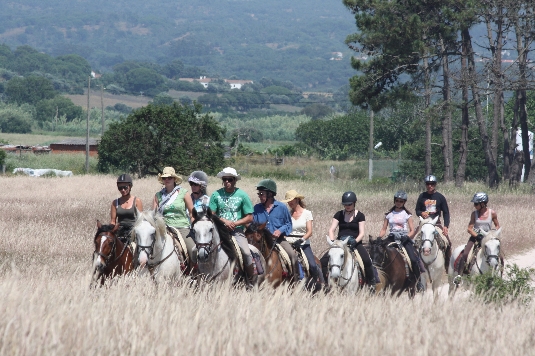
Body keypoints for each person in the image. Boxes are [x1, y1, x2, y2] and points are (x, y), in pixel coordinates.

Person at [209, 167, 256, 288]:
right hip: (219, 231)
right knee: (202, 249)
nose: (227, 182)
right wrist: (224, 220)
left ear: (235, 180)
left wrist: (235, 223)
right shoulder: (216, 195)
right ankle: (201, 276)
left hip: (237, 231)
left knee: (246, 253)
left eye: (230, 179)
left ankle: (250, 281)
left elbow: (249, 217)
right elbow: (211, 214)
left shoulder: (242, 195)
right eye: (224, 179)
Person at [321, 191, 376, 291]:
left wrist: (355, 241)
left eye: (349, 204)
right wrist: (333, 242)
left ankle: (372, 283)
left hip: (355, 242)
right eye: (345, 204)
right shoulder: (338, 214)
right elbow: (331, 230)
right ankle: (325, 284)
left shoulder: (360, 215)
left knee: (367, 260)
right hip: (340, 243)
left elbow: (362, 233)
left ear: (354, 203)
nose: (347, 206)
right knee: (323, 261)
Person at [252, 180, 300, 282]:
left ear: (270, 194)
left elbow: (288, 224)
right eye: (258, 194)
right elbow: (253, 225)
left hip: (279, 240)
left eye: (262, 194)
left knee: (292, 255)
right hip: (261, 240)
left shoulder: (282, 207)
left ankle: (296, 280)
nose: (259, 196)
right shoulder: (256, 208)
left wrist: (280, 231)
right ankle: (248, 280)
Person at [379, 190, 424, 292]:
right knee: (379, 254)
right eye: (397, 200)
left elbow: (412, 230)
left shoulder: (407, 214)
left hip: (404, 238)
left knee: (413, 259)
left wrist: (407, 237)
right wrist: (379, 237)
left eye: (401, 201)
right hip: (391, 237)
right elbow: (383, 229)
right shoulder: (389, 214)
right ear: (394, 201)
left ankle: (418, 281)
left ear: (404, 202)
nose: (399, 203)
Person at [152, 167, 195, 271]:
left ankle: (194, 273)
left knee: (193, 250)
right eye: (164, 178)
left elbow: (192, 213)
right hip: (164, 227)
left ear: (174, 179)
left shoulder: (184, 193)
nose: (167, 180)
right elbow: (153, 214)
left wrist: (193, 225)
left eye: (169, 178)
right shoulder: (158, 196)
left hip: (181, 226)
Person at [454, 192, 500, 284]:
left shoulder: (492, 213)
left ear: (483, 204)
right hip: (475, 237)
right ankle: (459, 276)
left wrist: (494, 233)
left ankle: (500, 273)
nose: (474, 206)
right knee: (465, 254)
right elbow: (469, 229)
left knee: (499, 254)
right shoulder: (474, 214)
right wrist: (477, 236)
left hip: (488, 238)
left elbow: (497, 225)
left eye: (476, 204)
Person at [282, 189, 323, 288]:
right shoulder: (287, 214)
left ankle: (315, 284)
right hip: (288, 243)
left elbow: (309, 231)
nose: (289, 203)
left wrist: (301, 240)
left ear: (297, 200)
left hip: (303, 243)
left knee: (312, 265)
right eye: (288, 201)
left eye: (291, 200)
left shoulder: (307, 213)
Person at [415, 174, 452, 264]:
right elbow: (417, 210)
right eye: (428, 184)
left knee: (446, 242)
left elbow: (446, 213)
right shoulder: (422, 196)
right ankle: (416, 265)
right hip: (424, 224)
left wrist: (446, 226)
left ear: (435, 184)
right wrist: (421, 213)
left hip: (436, 224)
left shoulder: (440, 197)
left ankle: (447, 264)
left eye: (432, 184)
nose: (429, 186)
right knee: (414, 242)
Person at [110, 174, 143, 244]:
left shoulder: (137, 201)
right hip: (120, 232)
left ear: (130, 186)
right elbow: (113, 221)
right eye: (120, 188)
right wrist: (112, 230)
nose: (123, 190)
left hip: (133, 232)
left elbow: (141, 220)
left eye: (125, 187)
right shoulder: (115, 202)